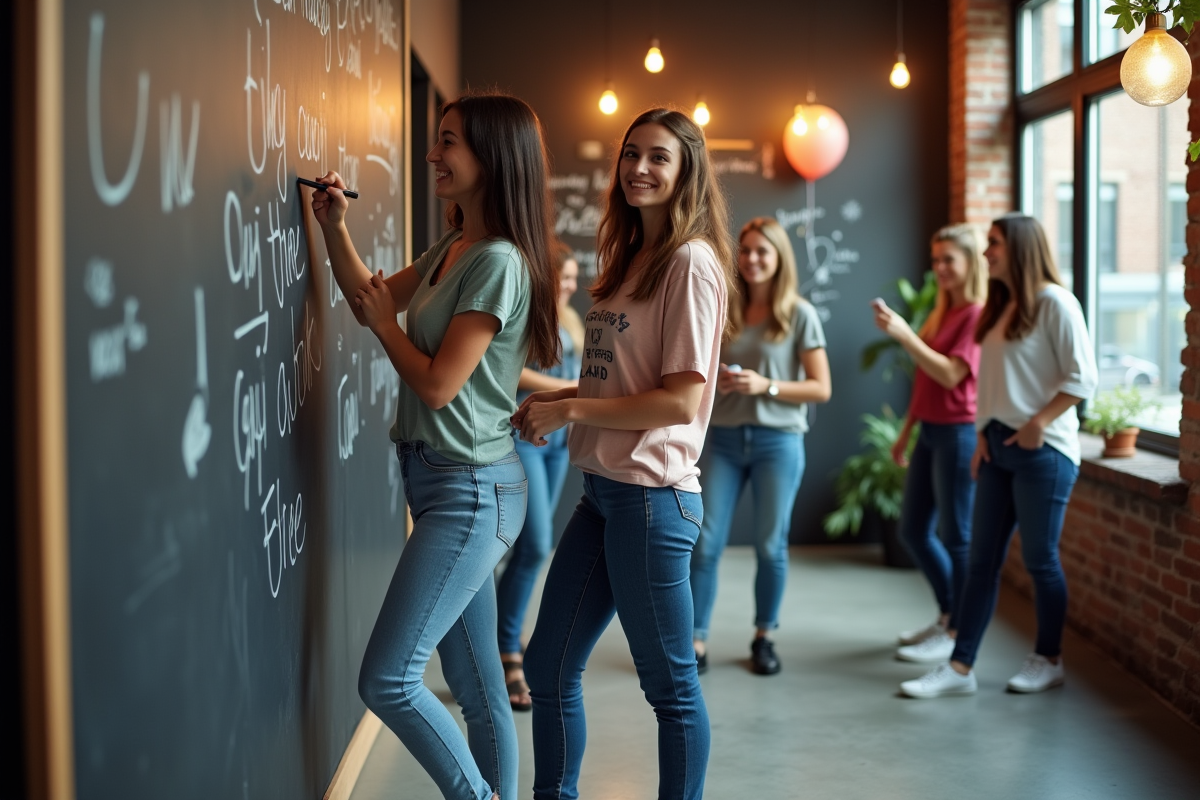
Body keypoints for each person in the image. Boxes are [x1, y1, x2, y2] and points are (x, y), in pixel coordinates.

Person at [309, 93, 559, 800]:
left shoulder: (499, 262)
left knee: (387, 679)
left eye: (448, 142)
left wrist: (387, 328)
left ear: (492, 156)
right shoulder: (454, 248)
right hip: (443, 483)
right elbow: (371, 297)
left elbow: (441, 386)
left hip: (472, 492)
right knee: (477, 689)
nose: (431, 155)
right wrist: (335, 227)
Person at [513, 108, 735, 800]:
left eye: (658, 157)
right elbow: (618, 381)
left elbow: (678, 401)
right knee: (548, 668)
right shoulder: (630, 256)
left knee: (670, 688)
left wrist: (571, 409)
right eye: (631, 153)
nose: (639, 167)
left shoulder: (690, 263)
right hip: (603, 493)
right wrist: (556, 396)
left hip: (652, 498)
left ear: (686, 170)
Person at [900, 213, 1097, 699]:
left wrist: (1037, 424)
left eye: (994, 243)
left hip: (1043, 452)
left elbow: (1083, 379)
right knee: (981, 562)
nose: (986, 252)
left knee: (1040, 561)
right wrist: (984, 433)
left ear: (1021, 248)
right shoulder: (1000, 307)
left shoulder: (1056, 303)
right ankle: (960, 668)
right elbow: (990, 383)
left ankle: (1048, 659)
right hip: (996, 448)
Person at [688, 216, 831, 676]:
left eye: (761, 251)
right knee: (705, 544)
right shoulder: (724, 307)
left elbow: (821, 388)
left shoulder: (799, 314)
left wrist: (765, 385)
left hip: (778, 442)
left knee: (771, 546)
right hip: (725, 440)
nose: (751, 259)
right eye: (745, 250)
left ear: (779, 258)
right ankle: (695, 640)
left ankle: (764, 637)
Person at [872, 224, 987, 664]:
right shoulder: (942, 312)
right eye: (935, 259)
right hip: (931, 431)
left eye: (948, 260)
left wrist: (905, 335)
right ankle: (947, 615)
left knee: (956, 537)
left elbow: (952, 375)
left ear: (970, 263)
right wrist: (907, 432)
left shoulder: (975, 314)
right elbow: (925, 380)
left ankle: (957, 629)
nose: (939, 268)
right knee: (913, 531)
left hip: (959, 432)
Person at [496, 243, 584, 712]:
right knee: (533, 546)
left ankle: (507, 635)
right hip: (525, 436)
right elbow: (512, 375)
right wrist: (576, 393)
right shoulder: (524, 315)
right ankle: (506, 649)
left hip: (558, 444)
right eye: (563, 278)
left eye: (572, 278)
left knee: (532, 548)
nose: (570, 286)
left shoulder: (570, 320)